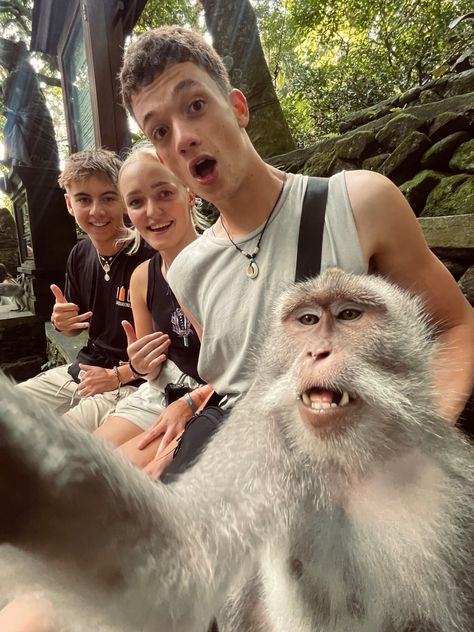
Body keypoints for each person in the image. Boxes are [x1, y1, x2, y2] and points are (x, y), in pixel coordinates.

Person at [118, 26, 473, 476]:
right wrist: (190, 411)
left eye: (196, 105)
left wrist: (415, 443)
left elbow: (454, 325)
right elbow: (233, 381)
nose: (183, 137)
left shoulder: (360, 205)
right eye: (161, 131)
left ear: (238, 107)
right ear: (165, 160)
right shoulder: (186, 270)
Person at [93, 144, 212, 477]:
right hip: (162, 390)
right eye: (136, 202)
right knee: (80, 464)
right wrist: (141, 364)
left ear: (190, 193)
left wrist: (190, 402)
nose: (151, 211)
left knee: (115, 482)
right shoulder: (142, 276)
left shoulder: (223, 262)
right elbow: (149, 368)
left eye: (164, 194)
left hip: (211, 395)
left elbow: (244, 367)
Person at [16, 148, 153, 430]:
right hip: (83, 370)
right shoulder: (79, 254)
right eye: (83, 199)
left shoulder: (149, 255)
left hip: (132, 381)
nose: (96, 211)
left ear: (124, 199)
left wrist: (117, 376)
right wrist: (62, 322)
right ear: (69, 204)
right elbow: (73, 327)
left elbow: (172, 346)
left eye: (108, 198)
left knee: (51, 443)